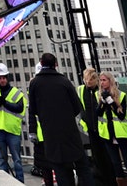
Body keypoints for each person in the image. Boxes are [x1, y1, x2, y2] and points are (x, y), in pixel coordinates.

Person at [28, 53, 94, 186]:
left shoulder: (35, 83)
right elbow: (77, 108)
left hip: (51, 135)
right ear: (56, 64)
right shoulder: (64, 81)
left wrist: (33, 130)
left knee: (61, 171)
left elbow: (32, 110)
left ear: (41, 63)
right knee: (83, 168)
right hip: (70, 134)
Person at [0, 62, 26, 183]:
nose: (2, 80)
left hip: (12, 130)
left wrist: (5, 103)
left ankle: (19, 182)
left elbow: (19, 108)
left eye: (4, 77)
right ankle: (5, 182)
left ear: (7, 78)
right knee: (2, 159)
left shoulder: (16, 92)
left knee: (17, 160)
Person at [96, 71, 127, 186]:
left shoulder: (121, 94)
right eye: (101, 80)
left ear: (110, 81)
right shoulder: (99, 95)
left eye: (104, 80)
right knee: (115, 163)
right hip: (107, 133)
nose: (102, 83)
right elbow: (98, 113)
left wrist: (111, 102)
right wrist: (102, 103)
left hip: (121, 133)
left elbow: (121, 115)